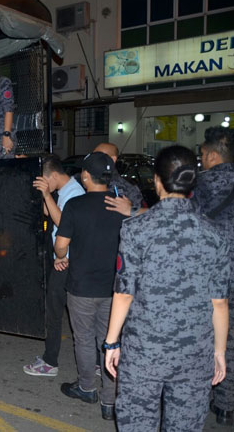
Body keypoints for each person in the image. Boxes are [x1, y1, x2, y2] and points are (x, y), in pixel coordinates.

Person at [104, 145, 230, 431]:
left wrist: (111, 342)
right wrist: (219, 352)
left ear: (157, 181)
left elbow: (124, 293)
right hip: (195, 353)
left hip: (144, 351)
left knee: (138, 423)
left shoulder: (136, 229)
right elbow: (220, 303)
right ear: (192, 181)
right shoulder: (215, 235)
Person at [54, 152, 126, 421]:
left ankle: (86, 388)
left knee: (84, 339)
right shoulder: (122, 206)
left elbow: (61, 245)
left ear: (85, 176)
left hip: (82, 287)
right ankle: (110, 402)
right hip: (114, 290)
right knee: (110, 341)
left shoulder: (76, 205)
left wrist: (60, 257)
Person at [24, 154, 84, 377]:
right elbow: (50, 213)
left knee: (55, 313)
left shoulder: (74, 193)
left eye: (44, 180)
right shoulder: (65, 192)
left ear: (54, 175)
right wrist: (44, 195)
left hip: (65, 261)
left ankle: (50, 362)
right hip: (64, 259)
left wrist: (47, 194)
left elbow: (64, 224)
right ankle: (94, 362)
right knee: (69, 312)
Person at [192, 126, 234, 426]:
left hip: (210, 272)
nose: (201, 161)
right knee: (230, 341)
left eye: (203, 156)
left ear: (213, 155)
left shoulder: (203, 184)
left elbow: (185, 221)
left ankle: (200, 397)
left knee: (206, 338)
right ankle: (226, 405)